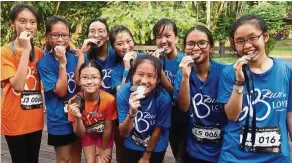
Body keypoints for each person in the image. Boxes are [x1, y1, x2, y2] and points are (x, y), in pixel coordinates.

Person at [217, 15, 292, 162]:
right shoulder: (229, 72)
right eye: (240, 41)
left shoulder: (286, 71)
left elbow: (290, 113)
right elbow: (232, 116)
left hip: (275, 158)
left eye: (253, 38)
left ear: (265, 36)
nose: (247, 46)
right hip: (235, 157)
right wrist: (239, 81)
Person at [174, 25, 228, 163]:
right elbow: (184, 107)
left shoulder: (225, 72)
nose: (196, 48)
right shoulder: (182, 72)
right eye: (190, 44)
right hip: (195, 149)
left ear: (211, 47)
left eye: (202, 43)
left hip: (223, 148)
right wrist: (185, 77)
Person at [1, 4, 44, 163]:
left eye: (33, 22)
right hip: (14, 119)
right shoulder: (5, 52)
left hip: (35, 119)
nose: (28, 26)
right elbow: (18, 85)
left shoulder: (39, 52)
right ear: (12, 23)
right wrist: (26, 50)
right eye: (22, 21)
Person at [37, 16, 81, 163]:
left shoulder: (75, 58)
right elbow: (61, 92)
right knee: (64, 159)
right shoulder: (44, 63)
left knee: (75, 157)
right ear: (48, 37)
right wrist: (62, 64)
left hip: (77, 117)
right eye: (55, 35)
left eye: (65, 35)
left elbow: (81, 82)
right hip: (59, 120)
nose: (60, 39)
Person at [117, 55, 172, 163]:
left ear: (157, 80)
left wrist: (146, 156)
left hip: (156, 145)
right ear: (133, 75)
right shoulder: (123, 93)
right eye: (140, 74)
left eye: (151, 76)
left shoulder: (163, 98)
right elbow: (123, 133)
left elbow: (158, 130)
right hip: (132, 142)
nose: (144, 80)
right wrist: (131, 113)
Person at [151, 18, 187, 163]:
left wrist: (159, 70)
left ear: (176, 38)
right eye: (159, 37)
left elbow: (177, 95)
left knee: (182, 154)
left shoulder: (183, 61)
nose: (163, 40)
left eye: (168, 36)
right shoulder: (159, 60)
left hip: (183, 118)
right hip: (165, 117)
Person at [68, 61, 117, 163]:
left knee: (102, 161)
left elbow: (108, 128)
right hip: (88, 134)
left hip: (104, 135)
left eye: (94, 77)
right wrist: (77, 117)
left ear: (101, 80)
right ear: (79, 80)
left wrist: (103, 149)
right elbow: (80, 133)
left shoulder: (109, 99)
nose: (89, 81)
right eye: (85, 77)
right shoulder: (74, 102)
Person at [74, 19, 116, 94]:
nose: (96, 35)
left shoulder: (115, 53)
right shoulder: (85, 57)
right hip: (95, 101)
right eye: (92, 31)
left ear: (108, 36)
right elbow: (78, 82)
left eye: (100, 31)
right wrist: (82, 52)